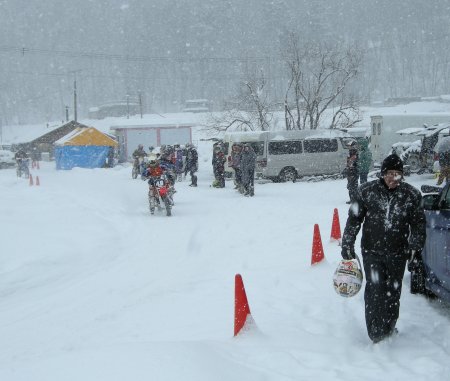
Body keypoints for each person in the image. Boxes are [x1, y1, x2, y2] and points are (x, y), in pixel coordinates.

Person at [341, 154, 426, 343]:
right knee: (375, 290)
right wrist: (347, 244)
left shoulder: (411, 194)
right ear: (382, 174)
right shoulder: (366, 191)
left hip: (398, 252)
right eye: (389, 173)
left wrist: (414, 248)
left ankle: (389, 327)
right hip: (372, 251)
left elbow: (419, 224)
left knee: (393, 291)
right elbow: (354, 219)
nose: (393, 178)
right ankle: (375, 332)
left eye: (397, 174)